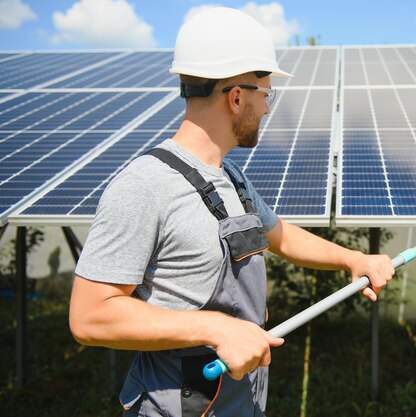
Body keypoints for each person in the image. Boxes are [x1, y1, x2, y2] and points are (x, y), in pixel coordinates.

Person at [69, 7, 394, 417]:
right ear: (237, 97)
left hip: (239, 400)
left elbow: (282, 236)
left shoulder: (231, 177)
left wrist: (352, 258)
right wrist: (215, 327)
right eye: (266, 95)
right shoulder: (144, 185)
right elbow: (89, 316)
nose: (268, 109)